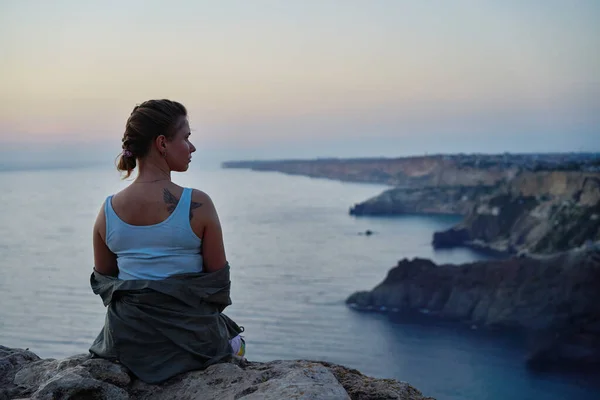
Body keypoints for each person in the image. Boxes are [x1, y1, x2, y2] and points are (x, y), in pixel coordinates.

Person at [89, 99, 245, 383]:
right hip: (196, 345)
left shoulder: (108, 210)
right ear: (162, 143)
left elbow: (106, 285)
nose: (192, 147)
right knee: (238, 344)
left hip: (127, 347)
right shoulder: (197, 203)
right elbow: (218, 285)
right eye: (186, 137)